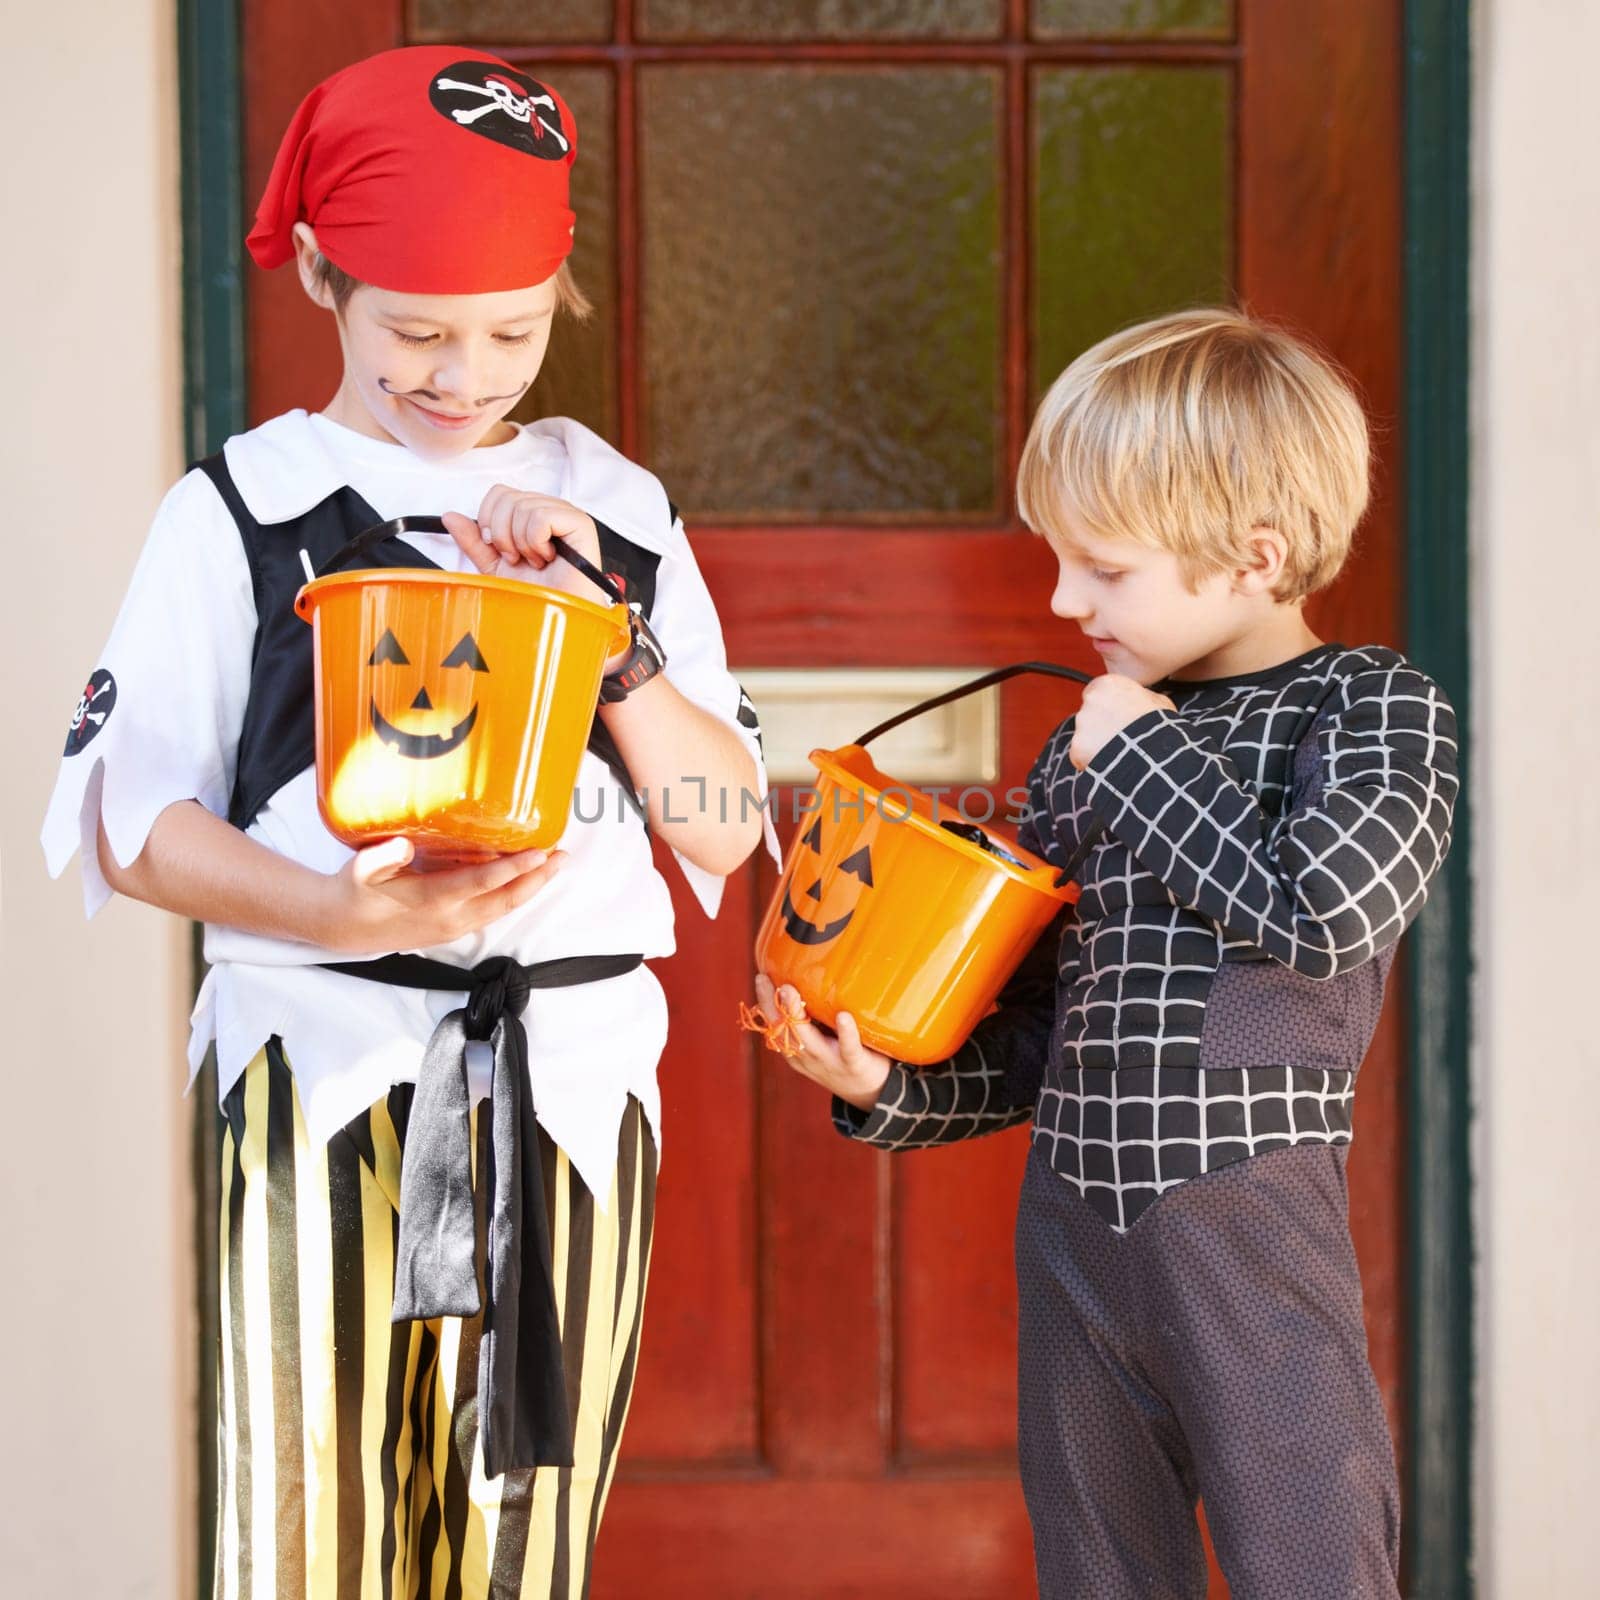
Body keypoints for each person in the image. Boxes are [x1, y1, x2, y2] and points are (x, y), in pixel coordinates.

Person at [43, 44, 772, 1599]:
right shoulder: (240, 509)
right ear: (321, 276)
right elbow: (125, 817)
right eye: (416, 333)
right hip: (323, 1075)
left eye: (509, 331)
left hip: (570, 1096)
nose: (464, 374)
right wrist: (339, 914)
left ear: (559, 288)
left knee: (528, 1548)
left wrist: (607, 635)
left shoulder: (618, 515)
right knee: (316, 1542)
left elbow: (719, 827)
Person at [754, 308, 1458, 1599]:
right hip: (1074, 1225)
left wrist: (1135, 753)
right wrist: (891, 1089)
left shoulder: (1370, 708)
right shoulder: (1081, 750)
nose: (1065, 601)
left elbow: (1325, 914)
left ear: (1253, 556)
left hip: (1246, 1219)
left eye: (1105, 570)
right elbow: (1050, 1030)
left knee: (1309, 1546)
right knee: (1097, 1562)